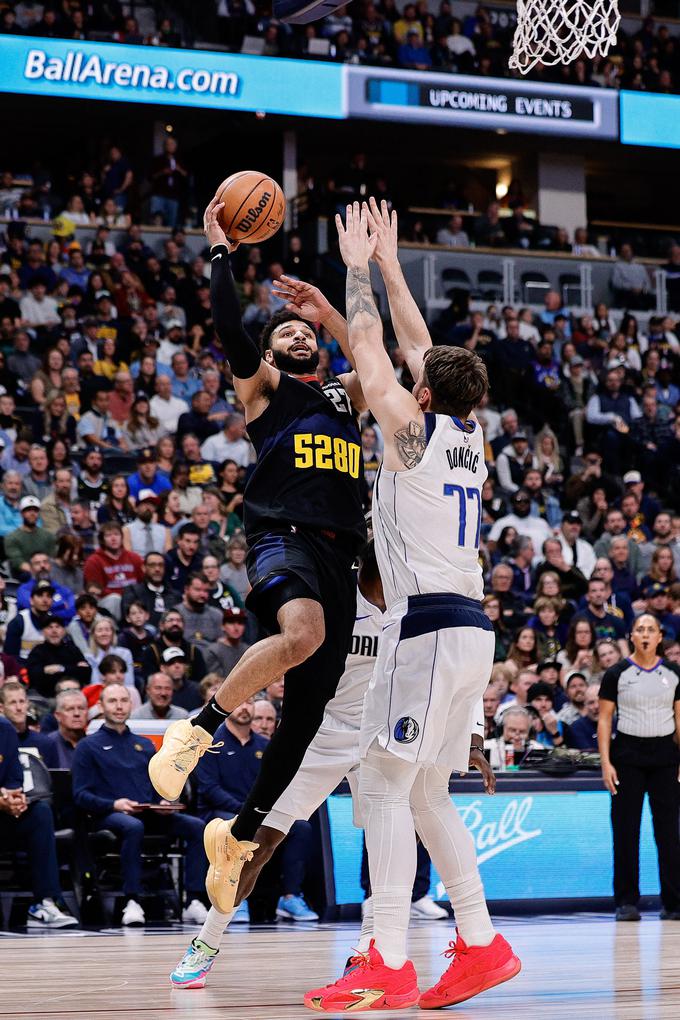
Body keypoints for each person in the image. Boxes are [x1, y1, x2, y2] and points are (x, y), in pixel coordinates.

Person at [302, 200, 519, 1009]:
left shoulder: (411, 433)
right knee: (426, 791)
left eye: (413, 380)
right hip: (469, 634)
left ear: (422, 398)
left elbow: (368, 346)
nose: (407, 375)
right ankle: (480, 942)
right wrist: (396, 265)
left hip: (426, 630)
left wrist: (356, 263)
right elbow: (420, 349)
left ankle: (386, 959)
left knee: (384, 785)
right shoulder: (470, 432)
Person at [149, 194, 367, 918]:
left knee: (303, 722)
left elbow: (394, 366)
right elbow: (229, 333)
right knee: (299, 634)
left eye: (309, 332)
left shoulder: (342, 397)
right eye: (289, 332)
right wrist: (220, 251)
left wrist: (329, 308)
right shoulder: (265, 390)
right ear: (271, 353)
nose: (301, 336)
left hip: (345, 558)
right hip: (284, 535)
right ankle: (199, 729)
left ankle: (239, 837)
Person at [171, 539, 492, 987]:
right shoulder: (331, 601)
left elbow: (461, 668)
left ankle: (368, 948)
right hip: (320, 732)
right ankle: (206, 941)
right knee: (257, 843)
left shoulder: (413, 609)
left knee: (389, 840)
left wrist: (473, 735)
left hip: (381, 734)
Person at [72, 684, 208, 927]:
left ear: (131, 705)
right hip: (107, 815)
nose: (119, 706)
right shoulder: (87, 746)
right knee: (133, 827)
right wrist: (114, 804)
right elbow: (80, 795)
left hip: (147, 812)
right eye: (112, 701)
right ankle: (132, 900)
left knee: (198, 827)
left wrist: (163, 801)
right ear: (101, 706)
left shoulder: (144, 745)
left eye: (124, 700)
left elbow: (154, 786)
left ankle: (193, 900)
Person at [598, 614, 680, 921]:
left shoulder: (674, 673)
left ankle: (673, 903)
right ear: (632, 635)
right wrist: (606, 762)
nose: (645, 634)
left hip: (665, 757)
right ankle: (626, 902)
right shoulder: (617, 673)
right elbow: (605, 719)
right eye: (640, 629)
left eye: (651, 629)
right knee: (626, 832)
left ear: (660, 636)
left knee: (669, 833)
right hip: (627, 755)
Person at [0, 712, 78, 928]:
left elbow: (15, 777)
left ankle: (44, 903)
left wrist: (13, 798)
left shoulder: (5, 728)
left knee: (40, 812)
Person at [25, 615, 90, 697]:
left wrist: (60, 668)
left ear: (63, 631)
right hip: (46, 698)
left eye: (57, 627)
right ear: (43, 632)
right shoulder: (37, 651)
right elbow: (34, 675)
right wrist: (73, 669)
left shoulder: (72, 649)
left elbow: (86, 672)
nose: (54, 631)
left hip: (73, 695)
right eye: (49, 627)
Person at [120, 551, 181, 628]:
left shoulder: (175, 595)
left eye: (161, 565)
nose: (157, 569)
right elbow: (128, 622)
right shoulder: (133, 591)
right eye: (152, 565)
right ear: (144, 568)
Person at [5, 496, 57, 578]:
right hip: (24, 576)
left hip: (48, 573)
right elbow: (18, 562)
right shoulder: (12, 538)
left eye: (35, 510)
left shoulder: (48, 536)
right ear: (22, 513)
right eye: (28, 510)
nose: (32, 513)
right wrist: (38, 573)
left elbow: (53, 558)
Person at [4, 580, 53, 660]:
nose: (45, 600)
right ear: (31, 600)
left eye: (49, 596)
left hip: (48, 667)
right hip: (23, 667)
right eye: (40, 595)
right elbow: (11, 657)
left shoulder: (54, 621)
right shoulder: (19, 622)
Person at [177, 572, 223, 649]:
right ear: (186, 589)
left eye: (205, 591)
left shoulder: (216, 614)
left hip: (210, 657)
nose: (202, 595)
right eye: (197, 590)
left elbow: (222, 643)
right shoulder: (176, 614)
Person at [46, 689, 89, 768]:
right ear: (57, 716)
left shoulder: (95, 745)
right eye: (70, 709)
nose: (77, 714)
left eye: (81, 708)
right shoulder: (47, 745)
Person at [203, 607, 250, 675]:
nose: (236, 627)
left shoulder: (249, 650)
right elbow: (215, 679)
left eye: (240, 623)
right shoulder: (213, 651)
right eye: (231, 622)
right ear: (223, 626)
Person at [568, 682, 600, 750]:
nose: (596, 706)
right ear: (585, 705)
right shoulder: (577, 727)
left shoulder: (617, 723)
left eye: (600, 701)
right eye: (591, 702)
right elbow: (589, 756)